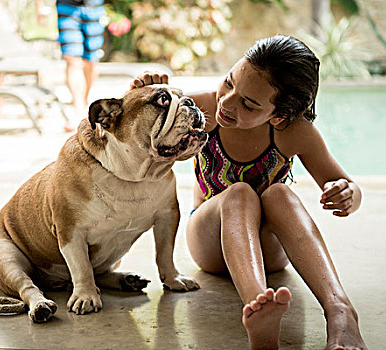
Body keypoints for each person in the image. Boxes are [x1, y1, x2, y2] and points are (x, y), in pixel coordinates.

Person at [131, 35, 367, 350]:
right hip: (210, 243)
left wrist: (346, 193)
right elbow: (131, 135)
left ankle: (340, 311)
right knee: (240, 193)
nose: (227, 102)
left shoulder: (294, 133)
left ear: (279, 115)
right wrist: (141, 93)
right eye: (229, 83)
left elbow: (345, 183)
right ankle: (258, 306)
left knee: (279, 194)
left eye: (248, 104)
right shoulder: (200, 109)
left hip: (270, 251)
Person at [38, 0, 106, 131]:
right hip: (67, 6)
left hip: (94, 6)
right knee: (71, 59)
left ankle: (85, 101)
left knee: (92, 61)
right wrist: (40, 7)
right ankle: (78, 108)